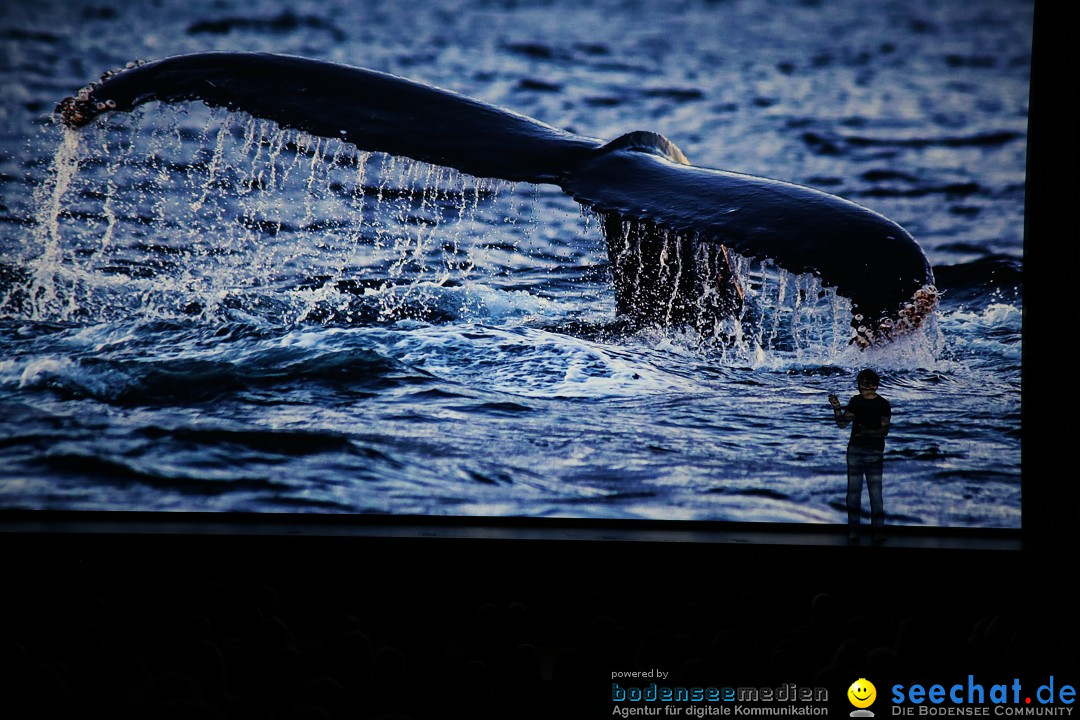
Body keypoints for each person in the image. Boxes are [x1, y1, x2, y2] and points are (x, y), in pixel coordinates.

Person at [829, 369, 891, 544]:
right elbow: (842, 423)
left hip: (874, 452)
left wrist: (867, 432)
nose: (863, 386)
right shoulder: (855, 401)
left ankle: (878, 531)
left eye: (867, 383)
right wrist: (836, 408)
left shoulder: (883, 404)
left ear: (875, 385)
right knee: (854, 493)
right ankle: (854, 530)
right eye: (861, 382)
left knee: (875, 493)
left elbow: (884, 430)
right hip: (856, 451)